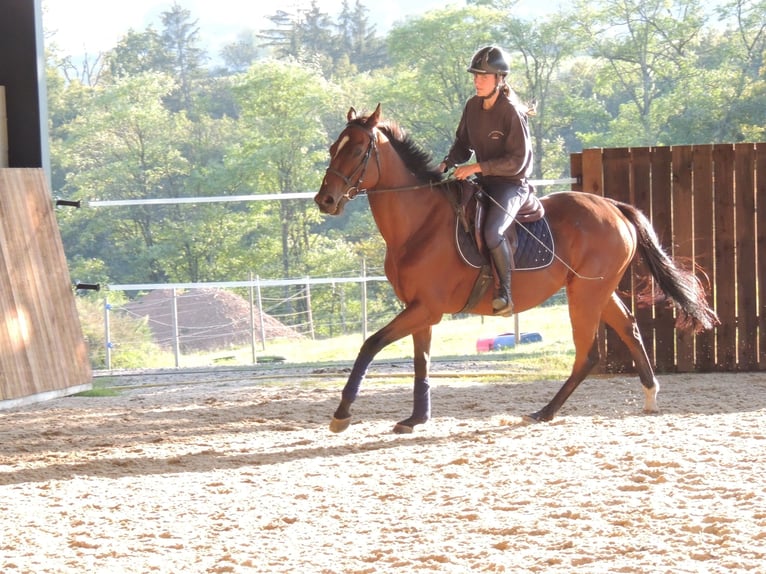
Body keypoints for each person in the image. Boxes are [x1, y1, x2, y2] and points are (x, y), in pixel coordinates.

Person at [439, 45, 534, 316]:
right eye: (475, 76)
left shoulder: (512, 111)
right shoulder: (472, 106)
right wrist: (448, 162)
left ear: (499, 79)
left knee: (493, 232)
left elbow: (519, 161)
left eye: (483, 76)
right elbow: (462, 144)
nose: (477, 81)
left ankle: (504, 293)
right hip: (483, 181)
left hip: (512, 186)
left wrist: (478, 167)